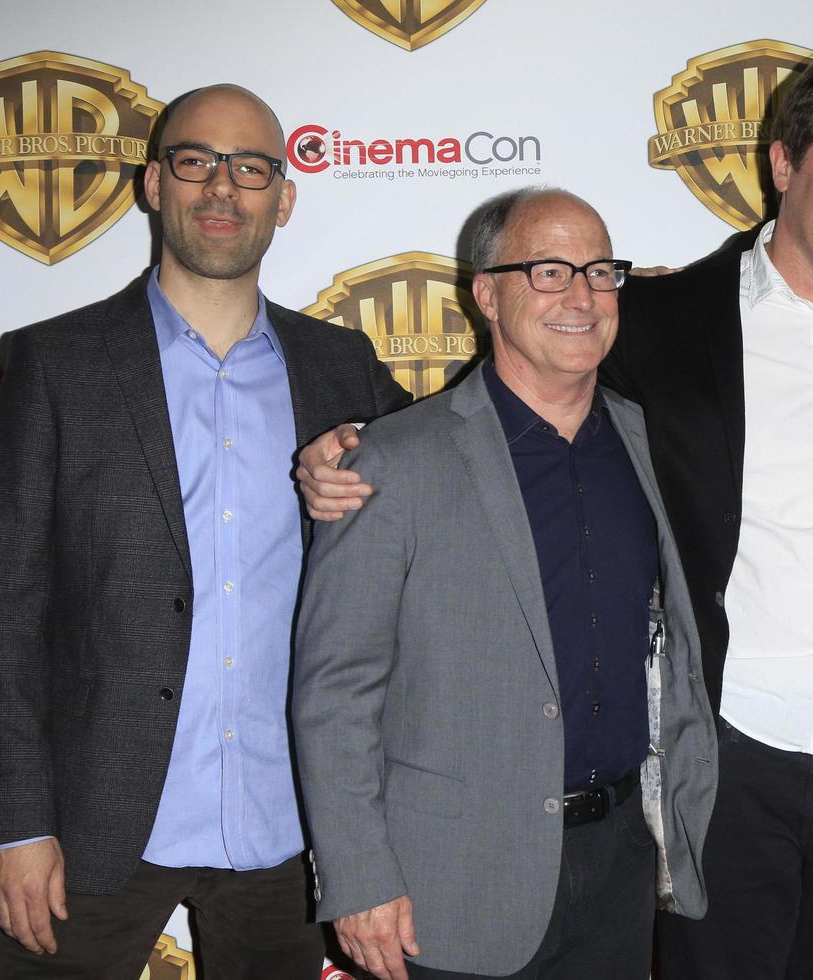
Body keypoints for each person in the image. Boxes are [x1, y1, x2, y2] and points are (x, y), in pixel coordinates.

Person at [297, 55, 813, 978]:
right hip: (733, 744)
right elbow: (515, 401)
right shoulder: (667, 316)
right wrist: (348, 444)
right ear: (784, 166)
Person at [0, 84, 410, 979]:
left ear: (283, 198)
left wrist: (374, 448)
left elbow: (450, 479)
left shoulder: (344, 369)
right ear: (152, 184)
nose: (223, 187)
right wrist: (15, 820)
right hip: (92, 825)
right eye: (196, 161)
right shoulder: (54, 363)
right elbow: (1, 606)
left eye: (251, 168)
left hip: (291, 823)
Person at [290, 188, 717, 980]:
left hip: (621, 868)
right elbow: (334, 691)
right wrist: (357, 878)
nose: (581, 296)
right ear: (486, 292)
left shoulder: (652, 442)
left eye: (599, 270)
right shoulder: (391, 462)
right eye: (549, 270)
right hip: (447, 885)